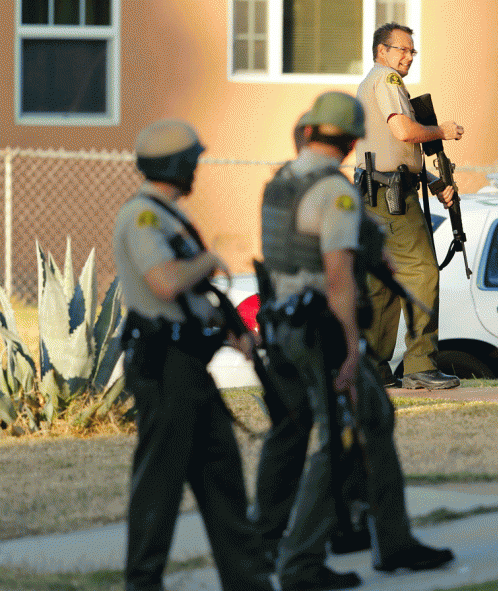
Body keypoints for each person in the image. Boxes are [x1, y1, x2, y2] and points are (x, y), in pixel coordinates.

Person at [258, 91, 455, 591]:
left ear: (307, 132)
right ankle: (306, 560)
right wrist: (351, 349)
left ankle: (376, 540)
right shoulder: (335, 193)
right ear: (349, 142)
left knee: (361, 421)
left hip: (282, 325)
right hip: (322, 331)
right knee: (340, 438)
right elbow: (340, 278)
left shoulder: (281, 183)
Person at [112, 119, 273, 591]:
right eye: (193, 161)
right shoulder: (142, 217)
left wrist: (231, 332)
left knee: (222, 476)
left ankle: (249, 582)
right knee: (159, 485)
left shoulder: (168, 215)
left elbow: (188, 299)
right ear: (178, 164)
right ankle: (143, 583)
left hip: (188, 364)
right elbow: (165, 281)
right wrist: (213, 258)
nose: (197, 169)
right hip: (164, 369)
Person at [355, 22, 464, 390]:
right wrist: (442, 130)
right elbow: (404, 131)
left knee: (381, 282)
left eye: (412, 51)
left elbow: (392, 152)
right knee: (421, 273)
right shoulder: (388, 80)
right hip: (393, 200)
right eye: (401, 49)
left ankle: (373, 367)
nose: (408, 56)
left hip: (377, 193)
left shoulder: (371, 80)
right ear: (381, 50)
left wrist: (432, 181)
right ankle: (420, 365)